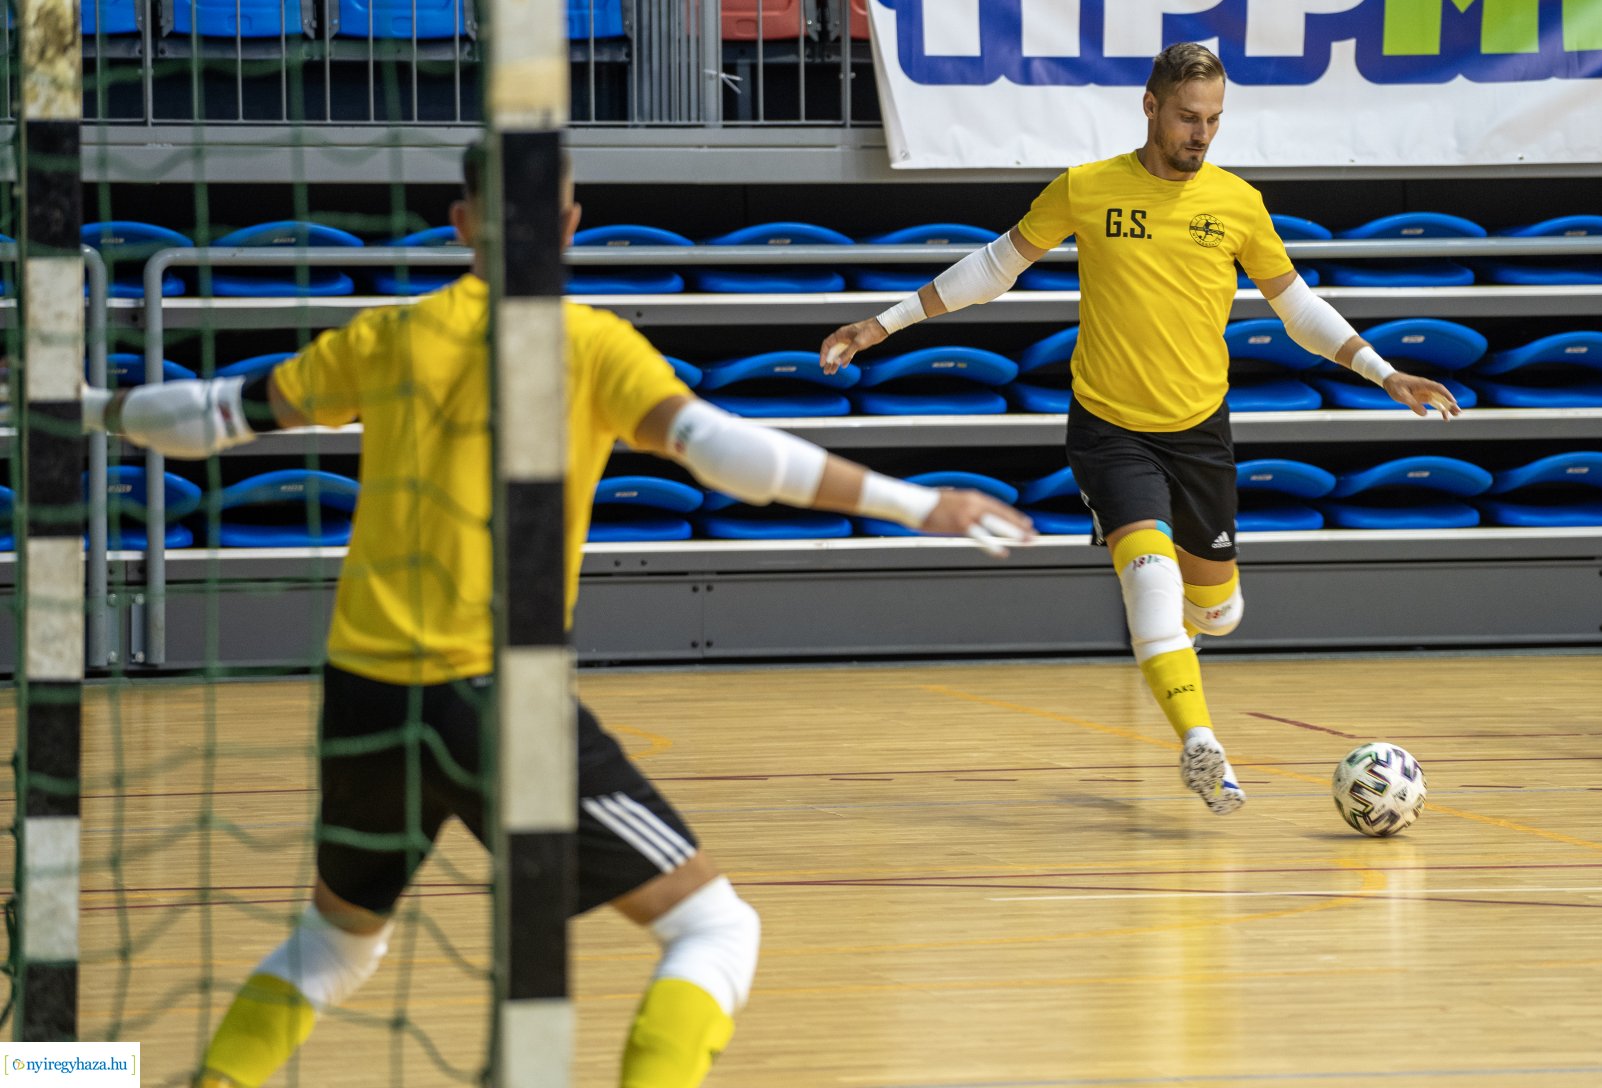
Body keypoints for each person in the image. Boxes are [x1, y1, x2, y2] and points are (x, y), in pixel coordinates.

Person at [85, 143, 1033, 1088]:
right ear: (573, 223)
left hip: (363, 698)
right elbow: (729, 453)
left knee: (335, 943)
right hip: (495, 700)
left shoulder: (391, 337)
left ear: (462, 225)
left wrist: (85, 407)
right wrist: (918, 504)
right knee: (715, 928)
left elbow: (211, 416)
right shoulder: (589, 345)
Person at [819, 43, 1459, 815]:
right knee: (1149, 582)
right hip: (1109, 429)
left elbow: (1297, 310)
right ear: (1150, 106)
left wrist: (1384, 371)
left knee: (1218, 614)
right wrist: (884, 324)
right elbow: (994, 266)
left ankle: (1184, 640)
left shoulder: (1237, 204)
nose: (1202, 134)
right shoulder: (1088, 190)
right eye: (1189, 117)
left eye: (1215, 120)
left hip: (1199, 433)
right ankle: (1202, 746)